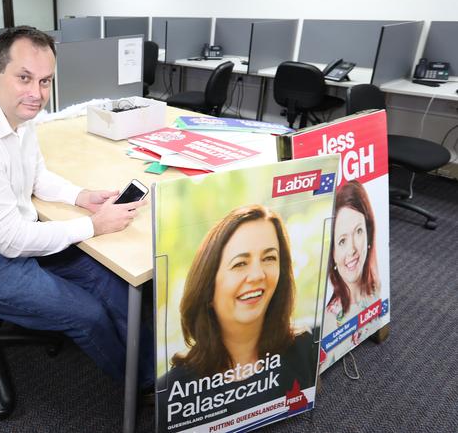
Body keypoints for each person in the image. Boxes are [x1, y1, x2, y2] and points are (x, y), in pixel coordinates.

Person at [0, 26, 153, 390]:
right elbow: (12, 240)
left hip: (9, 238)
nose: (37, 93)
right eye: (24, 78)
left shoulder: (17, 115)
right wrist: (94, 225)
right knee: (87, 314)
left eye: (45, 81)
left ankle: (158, 375)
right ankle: (141, 389)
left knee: (110, 282)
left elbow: (35, 175)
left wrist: (81, 196)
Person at [157, 205, 316, 430]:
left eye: (269, 258)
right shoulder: (173, 392)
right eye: (240, 263)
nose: (257, 275)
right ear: (208, 286)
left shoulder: (304, 345)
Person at [322, 179, 381, 362]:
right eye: (342, 241)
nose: (353, 249)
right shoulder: (329, 323)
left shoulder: (377, 287)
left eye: (358, 231)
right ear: (332, 253)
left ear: (368, 233)